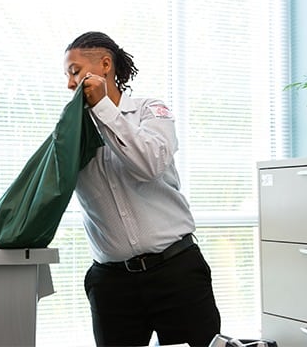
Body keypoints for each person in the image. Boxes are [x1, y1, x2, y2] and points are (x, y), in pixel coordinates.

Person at [63, 31, 221, 347]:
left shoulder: (151, 111)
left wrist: (103, 110)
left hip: (176, 274)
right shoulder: (73, 134)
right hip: (111, 286)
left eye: (75, 71)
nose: (69, 84)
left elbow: (149, 163)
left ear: (105, 65)